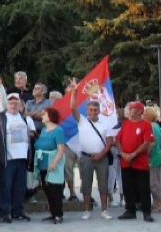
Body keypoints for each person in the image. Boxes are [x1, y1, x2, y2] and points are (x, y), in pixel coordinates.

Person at [68, 78, 113, 220]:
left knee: (103, 184)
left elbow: (109, 142)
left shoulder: (105, 123)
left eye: (95, 109)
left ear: (99, 111)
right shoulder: (82, 121)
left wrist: (101, 154)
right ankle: (87, 210)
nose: (93, 112)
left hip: (102, 157)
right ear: (86, 110)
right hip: (86, 157)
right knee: (86, 184)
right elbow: (72, 108)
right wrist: (74, 92)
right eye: (90, 109)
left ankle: (104, 211)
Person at [0, 93, 33, 223]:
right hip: (7, 159)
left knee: (20, 186)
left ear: (20, 104)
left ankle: (17, 211)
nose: (13, 105)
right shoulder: (1, 117)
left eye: (15, 103)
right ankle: (4, 213)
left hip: (22, 158)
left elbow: (31, 135)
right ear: (6, 104)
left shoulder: (24, 118)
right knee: (5, 186)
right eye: (10, 103)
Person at [114, 101, 155, 222]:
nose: (129, 111)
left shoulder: (146, 124)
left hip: (140, 162)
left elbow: (147, 142)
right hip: (126, 161)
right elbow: (118, 140)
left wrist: (134, 154)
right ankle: (130, 210)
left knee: (143, 187)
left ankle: (146, 212)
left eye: (131, 109)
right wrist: (122, 153)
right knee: (128, 187)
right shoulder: (125, 124)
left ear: (138, 111)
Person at [34, 107, 66, 224]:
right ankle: (53, 213)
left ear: (50, 116)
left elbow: (61, 150)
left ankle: (58, 214)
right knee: (47, 189)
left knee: (55, 189)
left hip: (52, 163)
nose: (42, 116)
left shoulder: (58, 130)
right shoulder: (43, 130)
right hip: (43, 163)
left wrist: (54, 163)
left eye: (44, 114)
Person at [143, 106, 161, 212]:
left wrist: (147, 156)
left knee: (153, 183)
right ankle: (156, 203)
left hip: (153, 157)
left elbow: (151, 143)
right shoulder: (156, 126)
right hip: (158, 156)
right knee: (156, 181)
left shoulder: (150, 126)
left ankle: (160, 203)